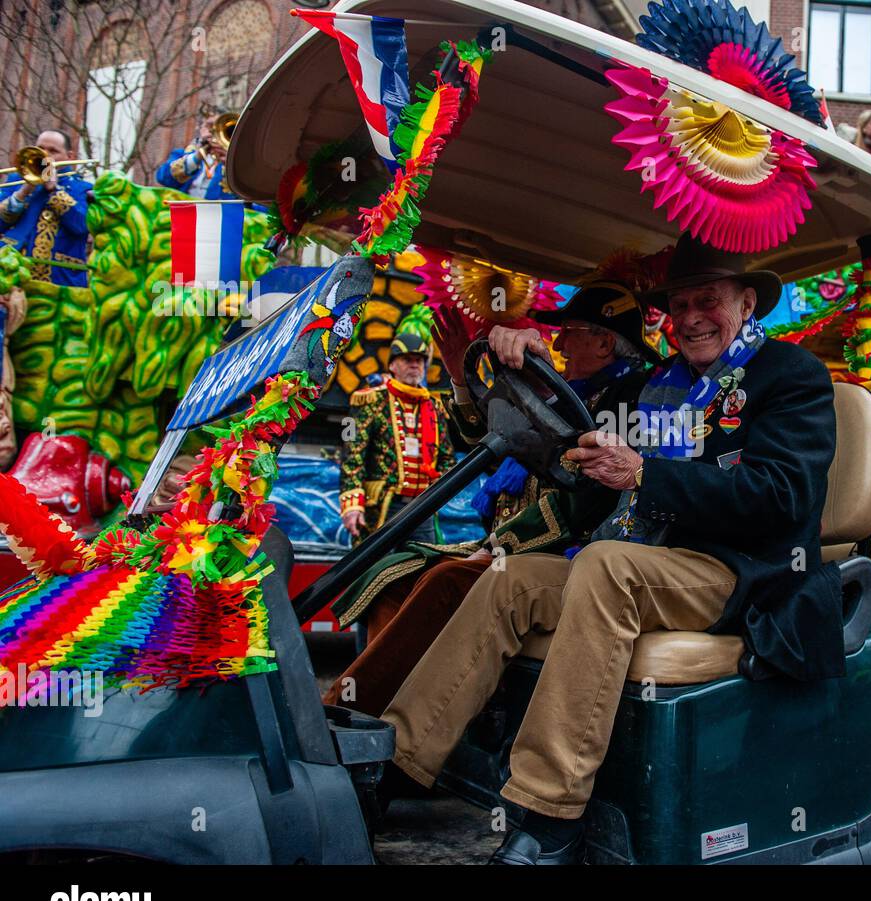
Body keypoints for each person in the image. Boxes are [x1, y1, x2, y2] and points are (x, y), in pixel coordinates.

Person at [379, 236, 840, 863]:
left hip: (744, 572)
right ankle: (401, 758)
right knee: (512, 578)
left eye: (709, 300)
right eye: (679, 306)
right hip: (648, 557)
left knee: (605, 566)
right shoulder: (656, 387)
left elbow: (781, 496)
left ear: (748, 302)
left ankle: (548, 812)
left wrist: (645, 473)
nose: (691, 318)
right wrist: (520, 355)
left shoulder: (789, 375)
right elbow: (569, 449)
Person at [324, 283, 658, 715]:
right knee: (393, 573)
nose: (557, 342)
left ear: (603, 341)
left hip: (563, 551)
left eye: (569, 331)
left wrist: (498, 546)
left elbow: (588, 501)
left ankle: (351, 715)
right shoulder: (565, 393)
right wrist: (463, 378)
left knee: (445, 583)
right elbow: (486, 440)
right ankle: (367, 714)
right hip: (511, 546)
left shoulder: (633, 398)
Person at [338, 332, 457, 543]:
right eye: (407, 359)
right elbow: (352, 454)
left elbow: (447, 458)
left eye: (419, 360)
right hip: (384, 505)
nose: (414, 365)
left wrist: (438, 491)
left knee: (423, 566)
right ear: (392, 365)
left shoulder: (434, 407)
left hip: (423, 506)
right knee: (377, 568)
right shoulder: (371, 399)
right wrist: (352, 502)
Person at [0, 130, 92, 287]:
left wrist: (54, 190)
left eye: (53, 151)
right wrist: (22, 193)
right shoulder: (16, 181)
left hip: (59, 278)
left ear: (69, 157)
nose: (44, 156)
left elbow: (81, 226)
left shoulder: (82, 188)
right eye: (40, 148)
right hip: (10, 274)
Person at [154, 110, 238, 200]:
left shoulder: (237, 164)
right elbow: (163, 178)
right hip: (185, 211)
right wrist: (196, 157)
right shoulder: (180, 154)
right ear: (200, 128)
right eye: (209, 126)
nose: (214, 132)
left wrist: (231, 166)